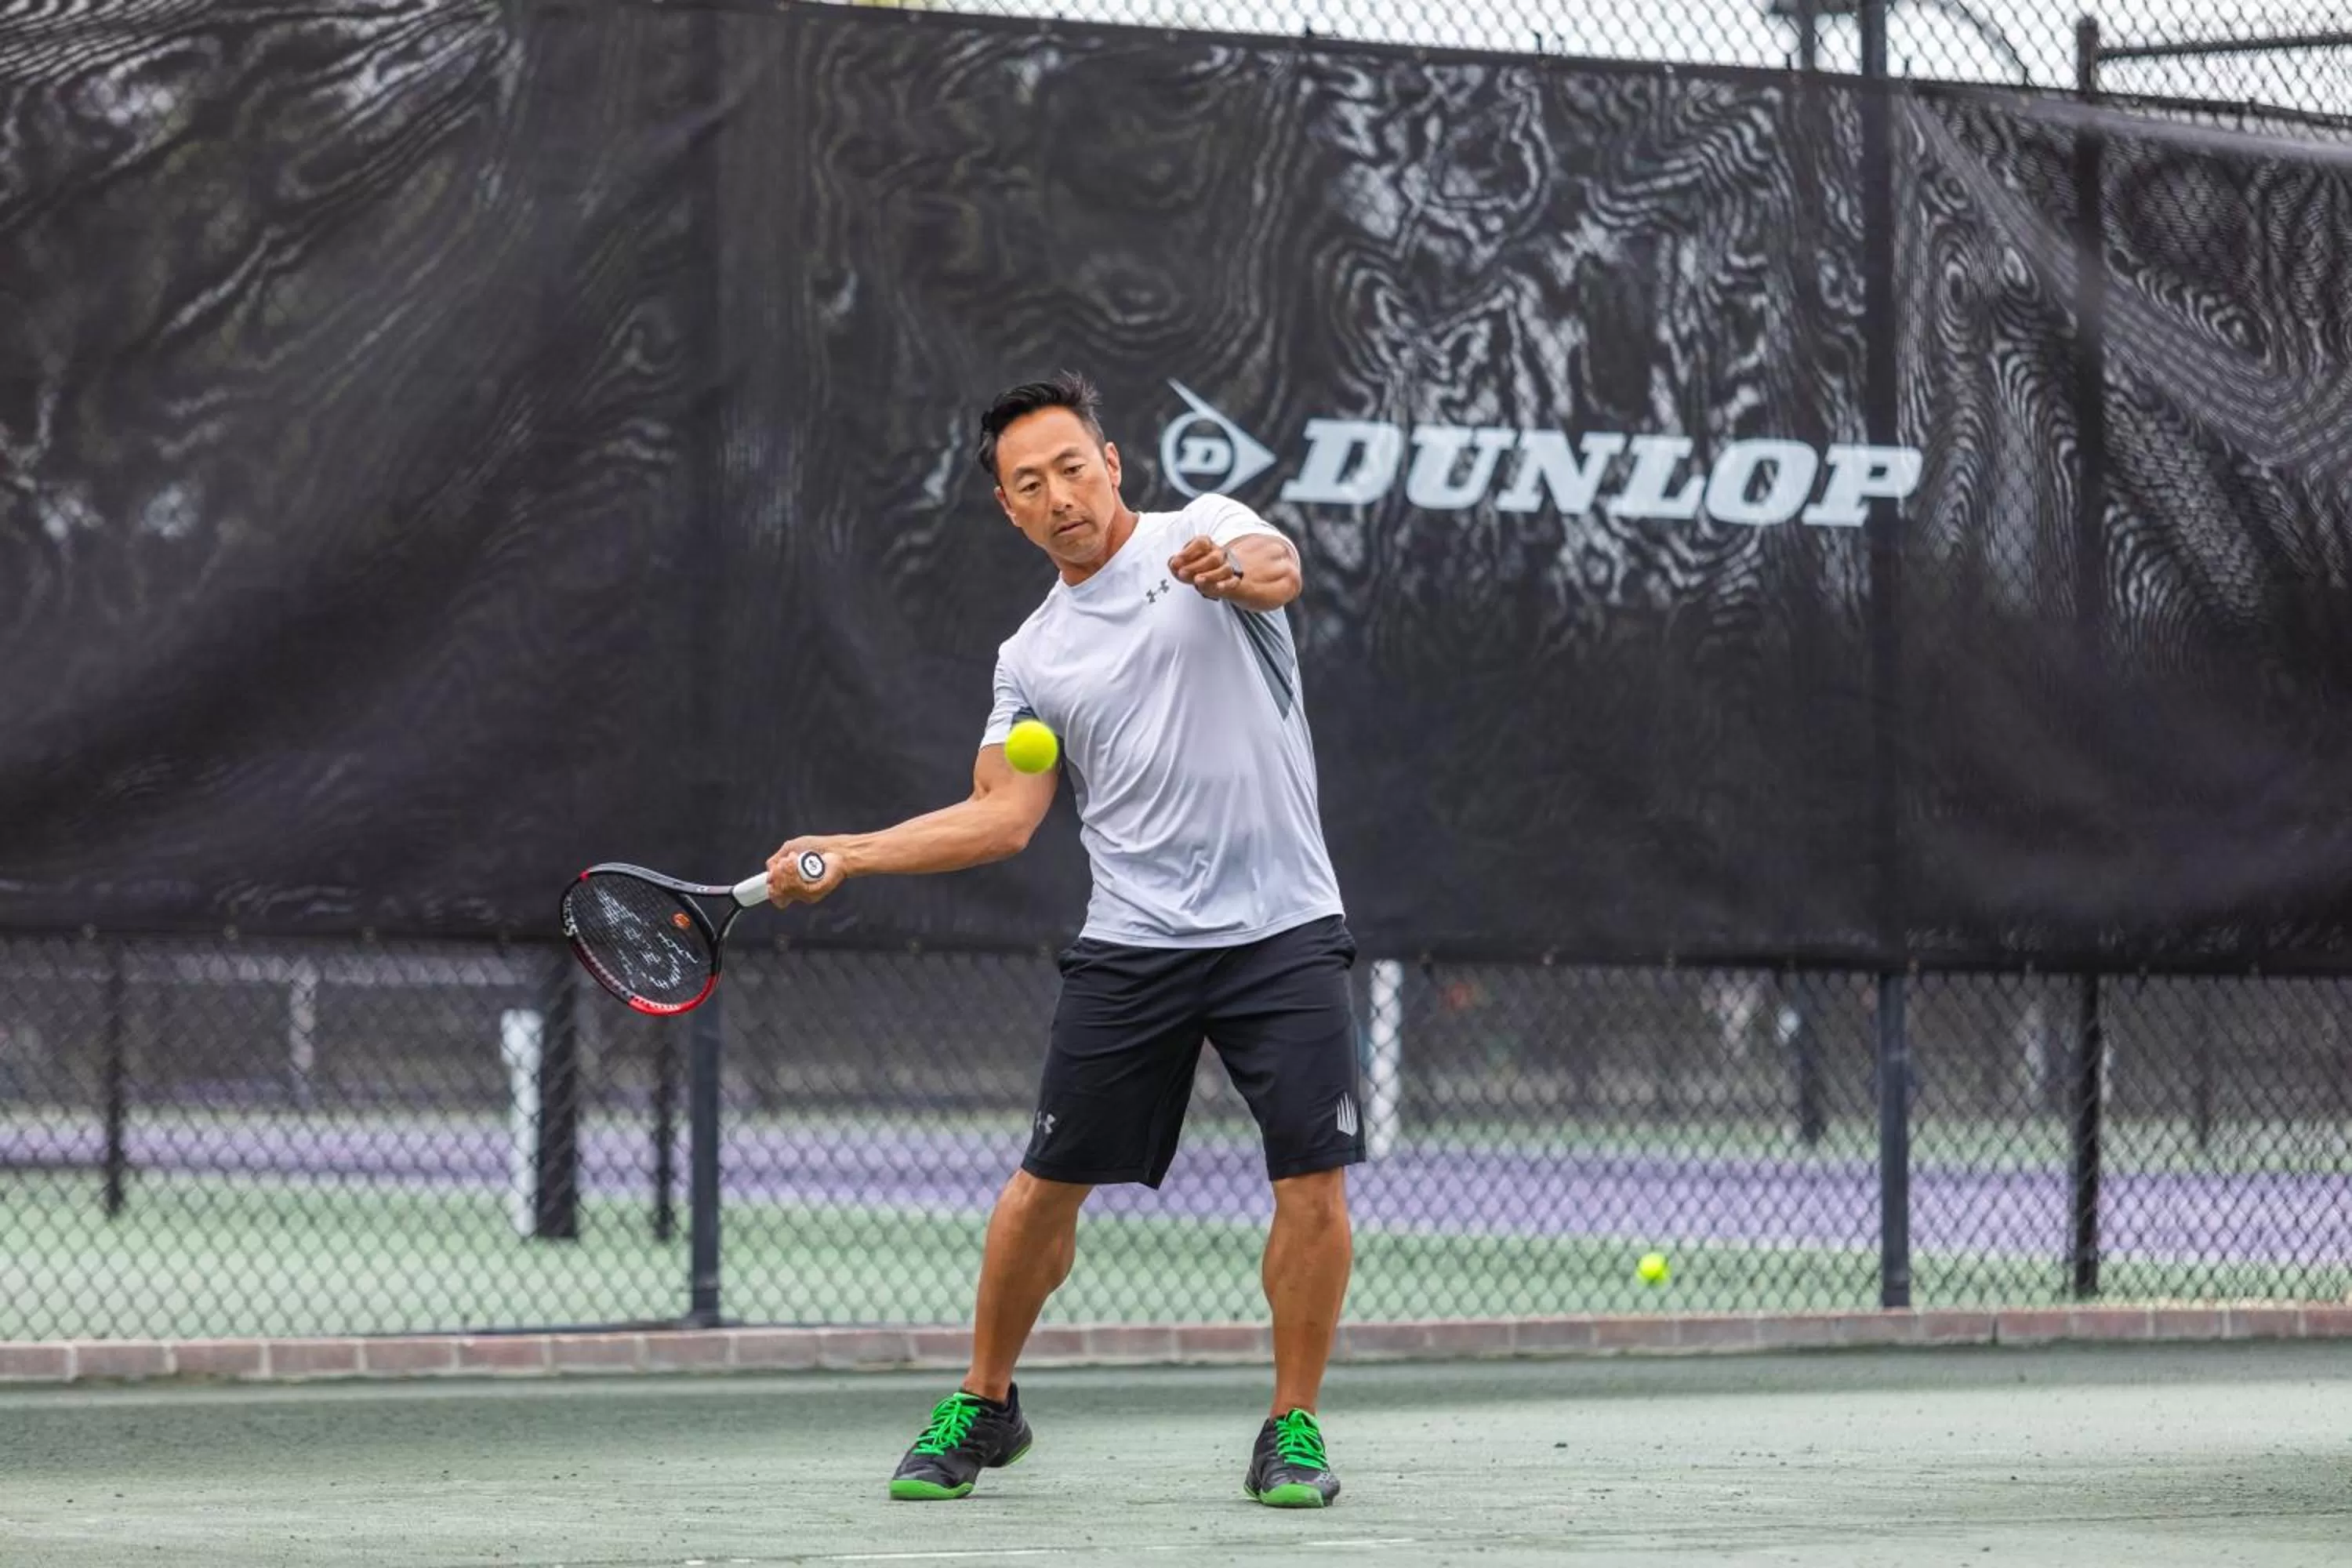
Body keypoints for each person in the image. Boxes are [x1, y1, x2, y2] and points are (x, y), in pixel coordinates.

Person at [764, 370, 1364, 1508]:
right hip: (1133, 943)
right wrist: (851, 851)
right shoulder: (1031, 655)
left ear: (1112, 462)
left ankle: (1291, 1427)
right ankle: (986, 1403)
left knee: (1312, 1180)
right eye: (1029, 484)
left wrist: (1232, 573)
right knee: (1044, 1187)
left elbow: (1280, 566)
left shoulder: (1203, 532)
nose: (1059, 497)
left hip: (1283, 927)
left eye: (1072, 469)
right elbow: (1001, 816)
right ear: (1008, 508)